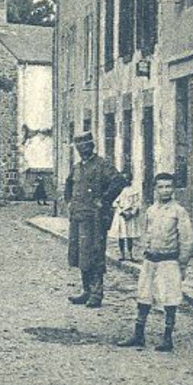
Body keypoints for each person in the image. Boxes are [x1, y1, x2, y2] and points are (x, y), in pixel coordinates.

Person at [117, 174, 193, 351]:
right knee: (144, 296)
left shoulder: (178, 211)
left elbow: (187, 239)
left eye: (168, 186)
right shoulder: (151, 211)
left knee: (170, 298)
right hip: (150, 259)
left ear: (173, 189)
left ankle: (167, 338)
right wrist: (144, 251)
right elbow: (146, 233)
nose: (165, 190)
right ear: (155, 189)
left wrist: (182, 264)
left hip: (169, 261)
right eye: (161, 187)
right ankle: (139, 335)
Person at [66, 131, 130, 308]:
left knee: (94, 254)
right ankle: (86, 291)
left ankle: (96, 293)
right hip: (78, 217)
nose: (82, 149)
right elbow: (69, 184)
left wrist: (104, 200)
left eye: (85, 146)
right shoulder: (77, 167)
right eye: (79, 147)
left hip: (95, 219)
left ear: (92, 146)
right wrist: (70, 203)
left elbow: (118, 181)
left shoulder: (102, 165)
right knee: (80, 255)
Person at [108, 172, 143, 260]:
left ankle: (131, 255)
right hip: (121, 216)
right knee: (121, 236)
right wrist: (122, 212)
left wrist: (132, 213)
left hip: (130, 216)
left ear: (131, 179)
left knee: (129, 236)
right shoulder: (120, 190)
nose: (126, 180)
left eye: (128, 178)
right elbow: (115, 203)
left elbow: (137, 203)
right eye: (124, 179)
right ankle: (122, 255)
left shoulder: (135, 190)